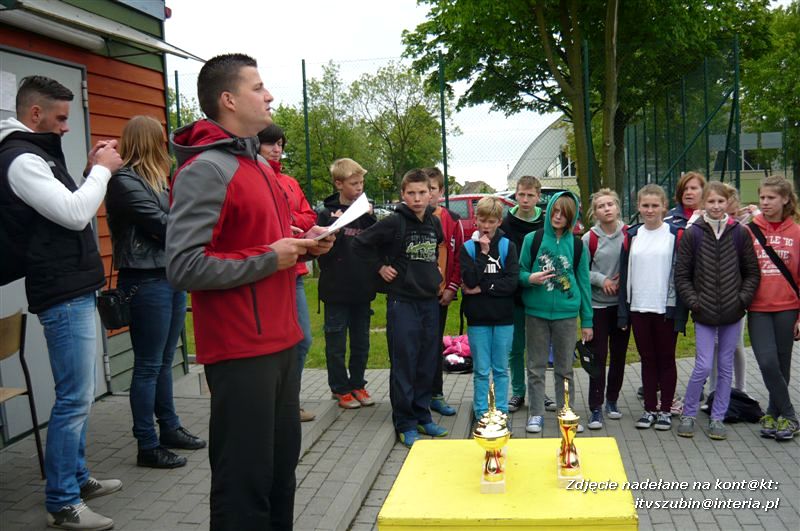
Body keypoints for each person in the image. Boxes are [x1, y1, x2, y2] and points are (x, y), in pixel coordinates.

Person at [165, 53, 333, 530]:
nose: (269, 96)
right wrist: (269, 257)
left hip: (282, 343)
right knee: (244, 486)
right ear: (229, 100)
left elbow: (261, 240)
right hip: (240, 352)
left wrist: (304, 243)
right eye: (258, 87)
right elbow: (182, 266)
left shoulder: (258, 165)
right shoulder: (205, 170)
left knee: (280, 478)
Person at [0, 75, 123, 530]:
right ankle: (63, 502)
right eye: (61, 117)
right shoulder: (22, 160)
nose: (67, 126)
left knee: (79, 395)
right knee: (73, 398)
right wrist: (103, 171)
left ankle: (77, 477)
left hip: (72, 286)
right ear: (35, 114)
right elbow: (74, 214)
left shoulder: (37, 154)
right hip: (62, 292)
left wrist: (90, 172)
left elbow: (65, 207)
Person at [105, 115, 206, 469]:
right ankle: (147, 444)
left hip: (168, 276)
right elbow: (163, 225)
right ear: (148, 141)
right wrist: (195, 225)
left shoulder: (156, 181)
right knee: (148, 365)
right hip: (144, 281)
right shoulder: (124, 181)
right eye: (160, 139)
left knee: (164, 361)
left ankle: (170, 428)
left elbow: (171, 223)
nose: (165, 145)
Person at [354, 169, 448, 448]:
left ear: (431, 194)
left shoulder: (434, 222)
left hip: (429, 302)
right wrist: (379, 267)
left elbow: (434, 251)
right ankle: (405, 422)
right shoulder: (394, 222)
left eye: (423, 192)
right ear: (403, 195)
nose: (418, 198)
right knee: (405, 362)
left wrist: (435, 271)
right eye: (412, 193)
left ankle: (422, 416)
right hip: (402, 302)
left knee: (427, 362)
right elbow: (360, 244)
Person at [674, 181, 760, 440]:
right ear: (704, 203)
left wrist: (741, 300)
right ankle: (689, 414)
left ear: (728, 202)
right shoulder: (694, 233)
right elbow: (682, 275)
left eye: (720, 201)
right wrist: (695, 302)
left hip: (733, 312)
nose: (716, 206)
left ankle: (717, 417)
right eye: (711, 201)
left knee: (724, 366)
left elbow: (752, 272)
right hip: (704, 312)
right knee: (702, 366)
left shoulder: (740, 233)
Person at [518, 191, 592, 434]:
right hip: (536, 313)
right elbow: (519, 272)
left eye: (564, 213)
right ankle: (536, 413)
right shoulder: (533, 239)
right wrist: (530, 278)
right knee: (535, 366)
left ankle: (566, 412)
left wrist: (587, 320)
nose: (558, 216)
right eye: (555, 211)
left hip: (567, 316)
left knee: (565, 369)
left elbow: (584, 283)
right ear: (549, 209)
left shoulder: (578, 245)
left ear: (572, 217)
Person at [258, 124, 318, 422]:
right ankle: (273, 404)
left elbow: (309, 216)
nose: (277, 149)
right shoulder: (256, 179)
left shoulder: (290, 182)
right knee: (271, 345)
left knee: (303, 339)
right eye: (270, 143)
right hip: (266, 271)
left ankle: (289, 402)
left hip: (294, 272)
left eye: (280, 144)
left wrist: (286, 218)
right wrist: (285, 220)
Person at [618, 184, 685, 432]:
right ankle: (649, 409)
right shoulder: (632, 235)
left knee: (666, 359)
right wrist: (623, 312)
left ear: (664, 207)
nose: (650, 210)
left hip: (666, 307)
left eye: (655, 205)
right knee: (647, 360)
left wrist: (680, 312)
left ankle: (665, 409)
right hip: (638, 307)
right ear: (638, 206)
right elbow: (625, 273)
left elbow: (682, 274)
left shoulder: (675, 235)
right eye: (645, 205)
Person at [317, 157, 378, 409]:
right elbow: (321, 253)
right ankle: (339, 388)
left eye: (361, 183)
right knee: (336, 344)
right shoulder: (326, 214)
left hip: (362, 289)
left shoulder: (366, 214)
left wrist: (372, 219)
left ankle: (357, 384)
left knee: (361, 342)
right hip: (336, 290)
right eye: (354, 183)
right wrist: (334, 230)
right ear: (339, 183)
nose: (359, 187)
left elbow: (377, 244)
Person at [746, 175, 800, 441]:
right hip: (758, 308)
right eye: (762, 197)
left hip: (788, 307)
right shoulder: (749, 230)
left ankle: (772, 412)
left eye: (771, 197)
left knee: (781, 365)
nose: (765, 202)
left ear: (785, 199)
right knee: (767, 362)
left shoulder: (797, 233)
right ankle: (790, 415)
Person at [460, 196, 518, 416]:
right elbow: (470, 281)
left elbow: (511, 283)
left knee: (501, 369)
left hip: (503, 317)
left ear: (499, 222)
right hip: (478, 318)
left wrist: (483, 288)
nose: (486, 226)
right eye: (482, 220)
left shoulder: (507, 246)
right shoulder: (468, 248)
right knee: (482, 370)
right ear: (476, 219)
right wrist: (483, 254)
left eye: (491, 221)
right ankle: (482, 413)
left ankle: (501, 412)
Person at [581, 189, 631, 430]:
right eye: (601, 206)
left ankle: (612, 400)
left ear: (617, 207)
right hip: (597, 306)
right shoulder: (589, 239)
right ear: (595, 213)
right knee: (598, 357)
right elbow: (582, 272)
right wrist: (603, 280)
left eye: (610, 204)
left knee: (619, 355)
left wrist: (624, 277)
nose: (607, 208)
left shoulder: (630, 233)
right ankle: (595, 407)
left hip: (622, 307)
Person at [499, 176, 545, 413]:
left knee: (538, 348)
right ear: (515, 195)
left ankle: (540, 391)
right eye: (521, 195)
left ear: (538, 197)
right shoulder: (505, 224)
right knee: (516, 347)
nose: (525, 199)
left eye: (530, 195)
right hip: (513, 294)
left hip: (539, 293)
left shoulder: (546, 223)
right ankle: (518, 391)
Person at [423, 166, 463, 416]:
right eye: (423, 189)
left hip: (440, 296)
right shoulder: (408, 219)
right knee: (416, 346)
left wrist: (451, 288)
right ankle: (416, 395)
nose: (427, 195)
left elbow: (459, 258)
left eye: (432, 189)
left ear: (441, 192)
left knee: (434, 345)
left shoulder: (452, 220)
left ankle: (436, 394)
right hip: (415, 296)